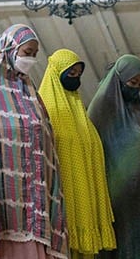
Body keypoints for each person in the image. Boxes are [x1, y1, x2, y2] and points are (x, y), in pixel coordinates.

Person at [0, 24, 68, 259]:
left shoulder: (31, 93)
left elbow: (46, 140)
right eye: (27, 52)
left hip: (37, 202)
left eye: (34, 54)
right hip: (6, 203)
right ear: (9, 49)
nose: (31, 59)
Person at [38, 49, 116, 258]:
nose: (75, 79)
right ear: (57, 73)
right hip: (60, 200)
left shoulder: (81, 112)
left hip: (84, 199)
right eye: (70, 74)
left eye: (78, 75)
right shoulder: (44, 109)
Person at [87, 55, 140, 259]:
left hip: (138, 199)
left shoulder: (136, 112)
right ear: (118, 81)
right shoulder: (100, 109)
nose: (135, 88)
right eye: (131, 83)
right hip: (113, 198)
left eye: (139, 85)